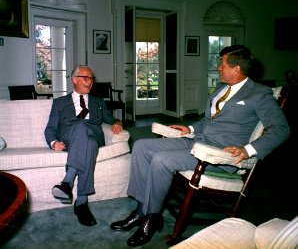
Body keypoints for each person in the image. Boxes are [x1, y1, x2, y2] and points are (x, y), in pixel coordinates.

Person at [110, 45, 290, 247]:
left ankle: (151, 220)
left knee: (162, 160)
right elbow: (207, 121)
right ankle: (141, 210)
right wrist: (190, 129)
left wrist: (247, 150)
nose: (218, 68)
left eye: (222, 64)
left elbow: (281, 129)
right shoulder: (222, 88)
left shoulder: (259, 93)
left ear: (236, 68)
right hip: (198, 141)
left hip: (218, 154)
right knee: (142, 146)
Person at [45, 65, 123, 227]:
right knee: (89, 142)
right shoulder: (59, 103)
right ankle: (81, 202)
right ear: (74, 79)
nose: (90, 82)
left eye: (91, 79)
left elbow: (110, 119)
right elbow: (51, 128)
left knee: (84, 129)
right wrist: (53, 142)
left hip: (94, 132)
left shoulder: (98, 101)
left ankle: (67, 182)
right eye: (85, 78)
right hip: (70, 138)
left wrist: (117, 122)